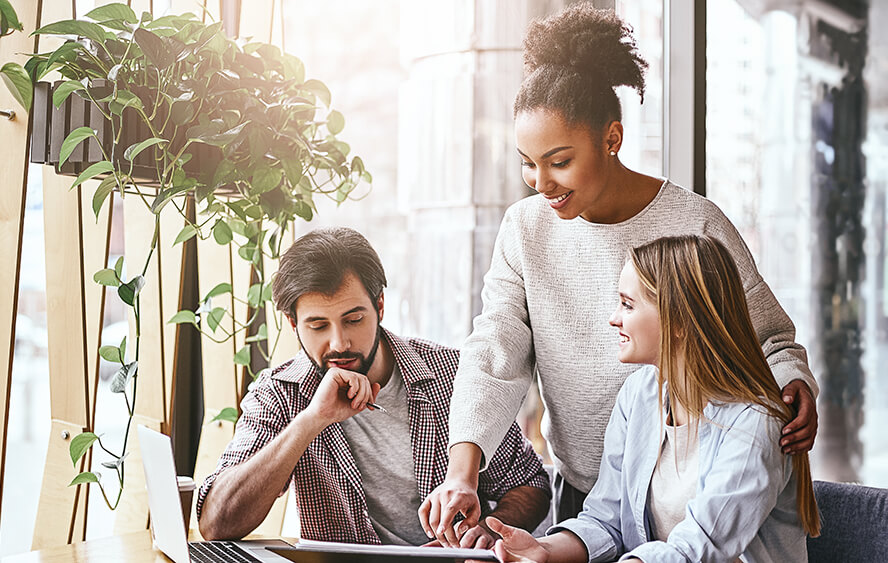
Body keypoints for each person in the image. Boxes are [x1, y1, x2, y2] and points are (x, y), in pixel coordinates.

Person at [420, 4, 819, 546]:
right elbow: (495, 353)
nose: (540, 181)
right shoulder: (524, 229)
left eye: (559, 160)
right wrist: (461, 474)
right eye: (527, 162)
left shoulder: (694, 222)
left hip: (698, 493)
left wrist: (791, 381)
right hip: (594, 501)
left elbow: (767, 337)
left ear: (612, 138)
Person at [197, 227, 551, 548]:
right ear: (293, 324)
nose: (339, 343)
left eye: (354, 319)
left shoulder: (454, 374)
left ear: (379, 305)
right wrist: (310, 421)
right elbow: (216, 523)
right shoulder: (279, 393)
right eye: (318, 326)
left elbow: (530, 483)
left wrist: (489, 532)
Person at [486, 235, 820, 562]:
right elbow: (606, 521)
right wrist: (543, 550)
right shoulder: (638, 396)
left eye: (628, 304)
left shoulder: (756, 422)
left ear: (679, 320)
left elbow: (697, 550)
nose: (614, 318)